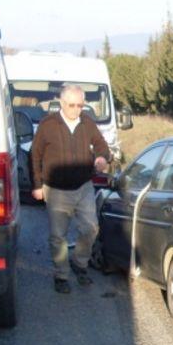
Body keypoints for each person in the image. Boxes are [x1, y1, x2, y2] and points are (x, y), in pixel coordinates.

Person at [31, 85, 111, 294]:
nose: (77, 109)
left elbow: (102, 145)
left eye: (80, 105)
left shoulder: (87, 122)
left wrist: (102, 157)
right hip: (56, 189)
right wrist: (37, 185)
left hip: (84, 186)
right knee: (58, 236)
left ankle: (80, 262)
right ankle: (61, 275)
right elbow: (35, 155)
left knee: (91, 228)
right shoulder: (48, 125)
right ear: (62, 103)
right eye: (73, 105)